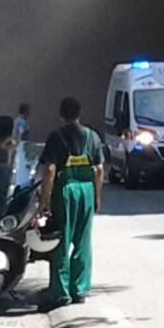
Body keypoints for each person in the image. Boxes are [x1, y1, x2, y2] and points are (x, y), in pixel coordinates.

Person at [39, 98, 104, 312]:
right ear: (79, 113)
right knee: (83, 242)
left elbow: (49, 170)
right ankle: (80, 289)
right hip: (86, 190)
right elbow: (99, 170)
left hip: (65, 191)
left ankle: (61, 292)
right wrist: (96, 196)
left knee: (61, 242)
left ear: (61, 114)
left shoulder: (56, 137)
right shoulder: (92, 136)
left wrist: (44, 200)